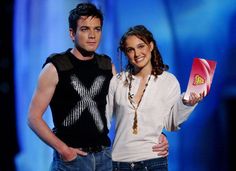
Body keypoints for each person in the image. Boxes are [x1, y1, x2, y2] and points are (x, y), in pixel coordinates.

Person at [27, 3, 168, 171]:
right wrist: (64, 150)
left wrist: (155, 134)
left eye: (97, 29)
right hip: (72, 160)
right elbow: (33, 118)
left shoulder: (106, 65)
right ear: (72, 33)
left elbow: (125, 109)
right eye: (85, 29)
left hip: (105, 158)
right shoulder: (56, 67)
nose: (92, 35)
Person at [106, 25, 204, 171]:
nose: (137, 53)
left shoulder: (168, 81)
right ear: (126, 53)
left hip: (153, 161)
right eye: (130, 49)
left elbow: (171, 123)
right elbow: (103, 121)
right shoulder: (117, 81)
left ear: (151, 46)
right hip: (119, 162)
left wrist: (186, 103)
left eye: (141, 46)